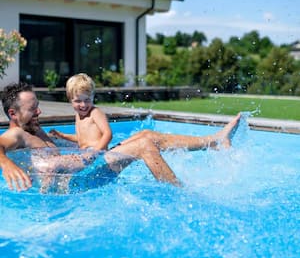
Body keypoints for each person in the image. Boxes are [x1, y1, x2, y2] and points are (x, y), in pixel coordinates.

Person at [0, 81, 241, 192]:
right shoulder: (17, 134)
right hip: (75, 185)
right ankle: (181, 195)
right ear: (13, 113)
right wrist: (6, 163)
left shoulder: (35, 129)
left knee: (147, 133)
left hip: (84, 169)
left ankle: (214, 141)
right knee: (145, 145)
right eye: (33, 109)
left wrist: (68, 141)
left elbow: (65, 150)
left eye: (38, 106)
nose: (39, 112)